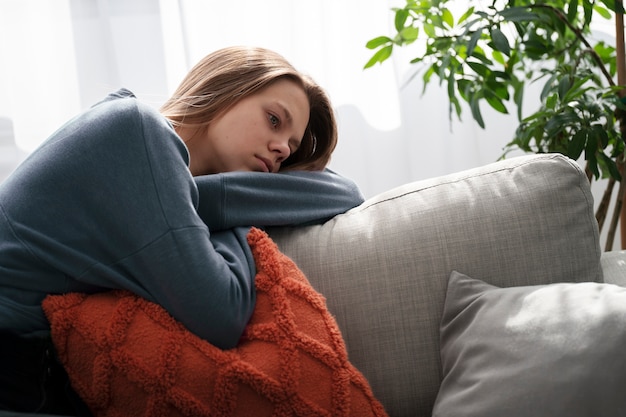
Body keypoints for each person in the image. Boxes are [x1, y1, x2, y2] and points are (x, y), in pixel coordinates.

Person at [0, 46, 364, 414]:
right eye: (274, 120)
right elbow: (221, 313)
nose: (281, 147)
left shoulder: (151, 162)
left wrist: (200, 199)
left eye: (290, 149)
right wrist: (236, 214)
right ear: (226, 89)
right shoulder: (135, 130)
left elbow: (343, 190)